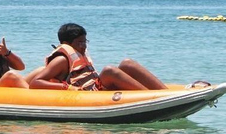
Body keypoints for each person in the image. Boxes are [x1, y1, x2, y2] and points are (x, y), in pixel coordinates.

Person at [30, 23, 168, 91]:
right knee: (109, 71)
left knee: (127, 63)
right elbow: (35, 83)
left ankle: (164, 93)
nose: (84, 46)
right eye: (80, 43)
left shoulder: (78, 55)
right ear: (66, 43)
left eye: (85, 42)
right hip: (87, 94)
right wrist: (68, 88)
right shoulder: (61, 59)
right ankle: (150, 98)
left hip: (95, 87)